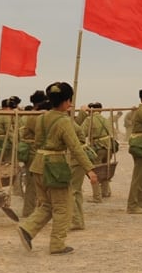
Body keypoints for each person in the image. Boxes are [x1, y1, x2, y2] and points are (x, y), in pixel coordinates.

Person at [17, 82, 99, 254]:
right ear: (66, 101)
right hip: (55, 168)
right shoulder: (64, 121)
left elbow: (37, 142)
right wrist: (89, 169)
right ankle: (57, 244)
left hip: (38, 165)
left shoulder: (41, 118)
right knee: (63, 207)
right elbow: (75, 147)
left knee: (46, 205)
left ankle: (27, 229)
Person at [77, 102, 114, 205]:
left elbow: (81, 133)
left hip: (97, 148)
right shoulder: (106, 120)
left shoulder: (89, 120)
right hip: (109, 147)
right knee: (106, 168)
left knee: (95, 171)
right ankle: (106, 192)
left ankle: (97, 196)